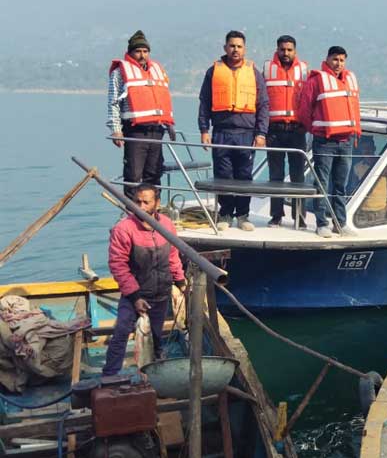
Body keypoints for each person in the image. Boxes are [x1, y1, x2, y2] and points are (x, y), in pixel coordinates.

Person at [103, 183, 186, 376]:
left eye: (146, 202)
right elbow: (118, 265)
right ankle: (109, 375)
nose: (141, 206)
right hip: (136, 293)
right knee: (122, 331)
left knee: (156, 336)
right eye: (137, 202)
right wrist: (134, 296)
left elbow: (173, 256)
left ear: (157, 203)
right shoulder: (123, 229)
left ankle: (155, 373)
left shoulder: (166, 225)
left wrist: (180, 281)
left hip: (161, 293)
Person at [198, 30, 269, 231]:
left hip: (246, 132)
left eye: (239, 46)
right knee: (223, 174)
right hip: (221, 131)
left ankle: (243, 215)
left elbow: (263, 104)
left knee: (244, 176)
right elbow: (204, 102)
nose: (235, 49)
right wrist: (204, 129)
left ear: (244, 49)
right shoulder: (213, 71)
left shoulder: (254, 72)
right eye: (231, 45)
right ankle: (226, 213)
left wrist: (261, 133)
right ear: (225, 48)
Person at [297, 46, 361, 238]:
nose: (338, 64)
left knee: (341, 184)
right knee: (322, 183)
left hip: (346, 141)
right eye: (335, 59)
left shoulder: (350, 79)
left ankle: (340, 223)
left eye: (342, 60)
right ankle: (322, 223)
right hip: (324, 142)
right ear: (327, 59)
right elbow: (304, 110)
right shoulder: (316, 81)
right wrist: (316, 130)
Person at [107, 30, 176, 200]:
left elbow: (162, 99)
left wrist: (169, 125)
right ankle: (132, 212)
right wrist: (116, 130)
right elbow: (113, 102)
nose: (142, 55)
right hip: (135, 131)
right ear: (130, 52)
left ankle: (153, 210)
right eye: (138, 51)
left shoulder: (157, 70)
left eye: (145, 51)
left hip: (156, 130)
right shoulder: (120, 73)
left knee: (154, 173)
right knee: (133, 175)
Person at [264, 35, 309, 228]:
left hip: (297, 131)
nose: (286, 53)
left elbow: (310, 98)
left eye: (289, 50)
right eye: (282, 49)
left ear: (295, 51)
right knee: (276, 175)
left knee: (298, 175)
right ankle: (276, 216)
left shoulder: (305, 70)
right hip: (274, 130)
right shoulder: (267, 69)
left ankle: (299, 217)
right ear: (277, 49)